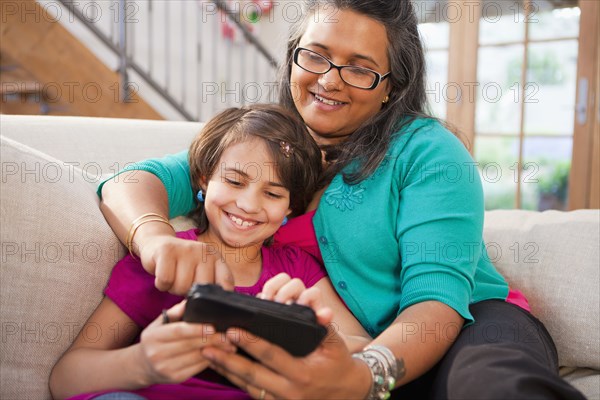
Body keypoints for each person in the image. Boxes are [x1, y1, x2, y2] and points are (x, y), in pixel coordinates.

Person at [97, 1, 585, 399]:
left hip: (465, 325)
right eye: (315, 55)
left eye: (360, 68)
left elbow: (437, 302)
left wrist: (364, 376)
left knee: (488, 387)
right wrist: (155, 238)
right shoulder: (261, 145)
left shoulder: (430, 153)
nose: (329, 80)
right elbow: (132, 182)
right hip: (341, 350)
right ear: (293, 57)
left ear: (392, 88)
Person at [49, 105, 370, 400]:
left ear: (290, 206)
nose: (248, 204)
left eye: (272, 193)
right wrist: (142, 363)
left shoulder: (297, 271)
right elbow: (65, 378)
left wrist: (306, 333)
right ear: (205, 179)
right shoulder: (166, 259)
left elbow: (362, 348)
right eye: (234, 181)